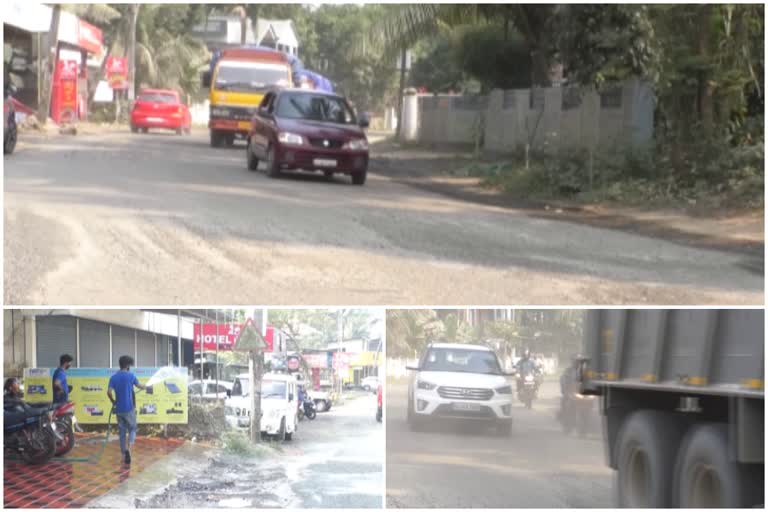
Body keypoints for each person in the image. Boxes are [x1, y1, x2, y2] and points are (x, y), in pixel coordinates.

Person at [107, 355, 147, 465]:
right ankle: (129, 448)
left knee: (122, 433)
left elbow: (109, 392)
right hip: (129, 409)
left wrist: (113, 401)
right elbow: (140, 386)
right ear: (128, 365)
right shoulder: (131, 376)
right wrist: (147, 386)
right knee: (133, 428)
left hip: (119, 409)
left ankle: (123, 454)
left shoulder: (113, 377)